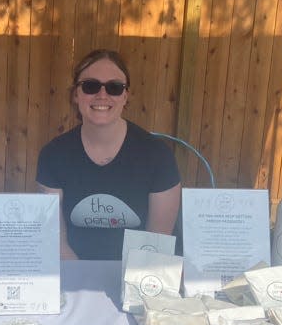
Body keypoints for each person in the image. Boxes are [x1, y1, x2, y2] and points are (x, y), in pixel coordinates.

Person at [36, 49, 181, 260]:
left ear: (125, 96)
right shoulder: (53, 156)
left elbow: (157, 240)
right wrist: (79, 283)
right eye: (90, 86)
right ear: (76, 95)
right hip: (76, 271)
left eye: (114, 87)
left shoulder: (158, 156)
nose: (102, 95)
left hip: (137, 276)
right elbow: (58, 241)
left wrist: (131, 287)